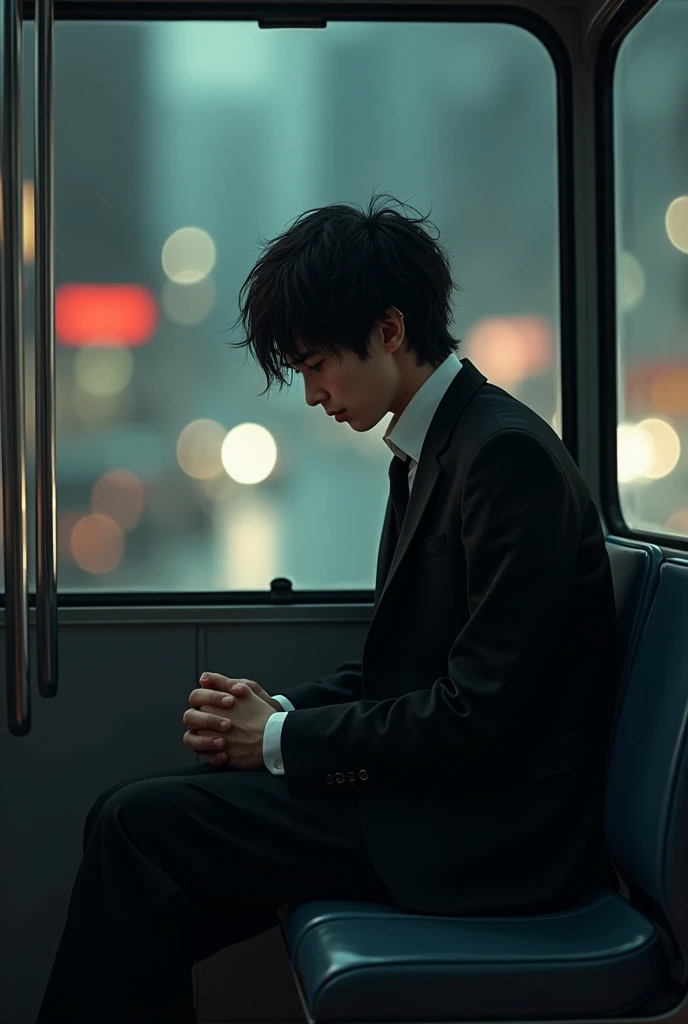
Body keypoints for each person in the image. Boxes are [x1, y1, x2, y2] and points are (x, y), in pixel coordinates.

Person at [36, 194, 621, 1024]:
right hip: (445, 800)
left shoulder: (504, 459)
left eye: (316, 366)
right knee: (132, 840)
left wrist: (278, 740)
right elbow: (405, 667)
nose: (311, 395)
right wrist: (282, 712)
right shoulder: (437, 448)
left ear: (389, 329)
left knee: (138, 835)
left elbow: (483, 713)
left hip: (493, 837)